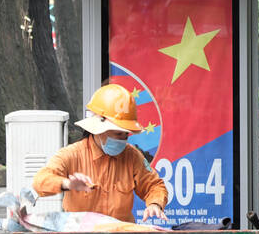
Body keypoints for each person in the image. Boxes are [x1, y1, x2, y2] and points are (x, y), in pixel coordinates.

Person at [33, 83, 168, 223]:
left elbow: (155, 185)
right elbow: (40, 181)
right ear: (98, 129)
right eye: (118, 133)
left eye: (126, 135)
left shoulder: (132, 156)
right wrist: (67, 184)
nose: (122, 140)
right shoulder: (72, 154)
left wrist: (154, 204)